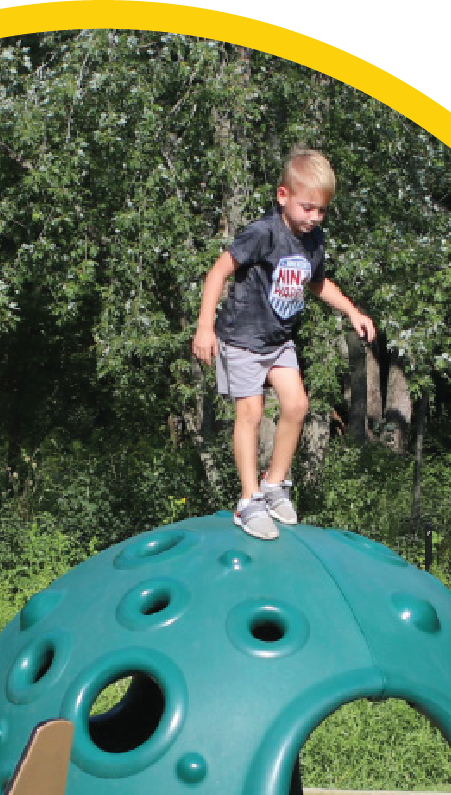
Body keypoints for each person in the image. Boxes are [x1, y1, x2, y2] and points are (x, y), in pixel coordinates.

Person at [193, 148, 376, 540]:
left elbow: (318, 282)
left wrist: (353, 312)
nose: (314, 218)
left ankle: (274, 485)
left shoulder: (313, 241)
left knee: (297, 405)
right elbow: (218, 272)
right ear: (283, 196)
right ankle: (248, 501)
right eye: (308, 208)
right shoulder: (264, 233)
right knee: (251, 413)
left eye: (322, 211)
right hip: (242, 338)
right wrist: (204, 326)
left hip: (279, 339)